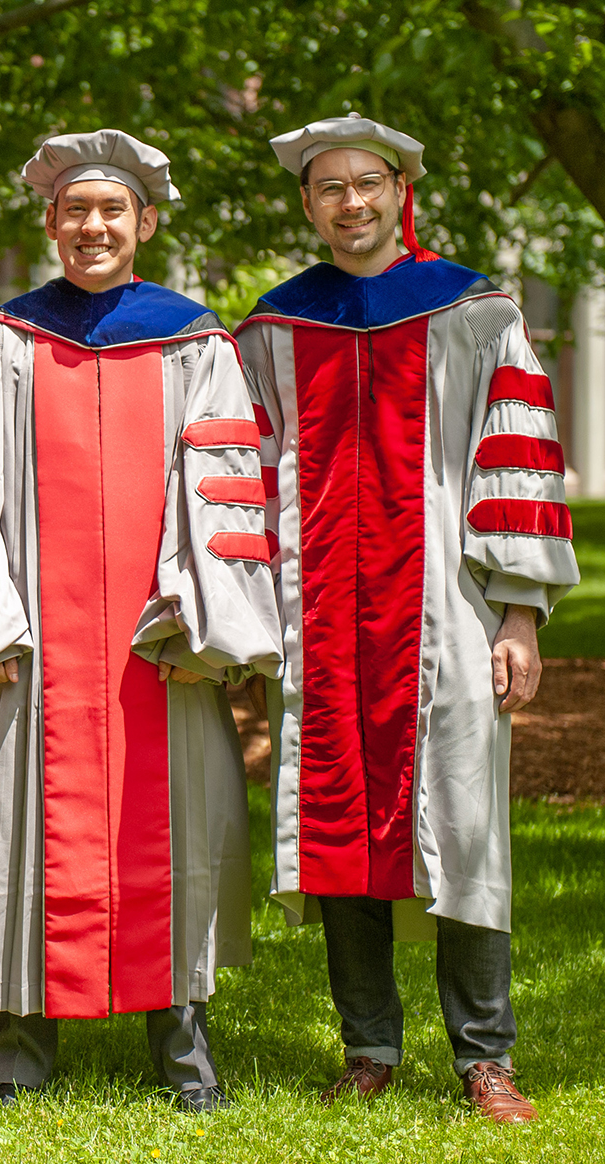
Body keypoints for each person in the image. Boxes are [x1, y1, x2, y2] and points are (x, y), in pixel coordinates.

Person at [0, 130, 283, 1111]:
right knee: (29, 829)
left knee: (171, 833)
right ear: (51, 224)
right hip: (38, 647)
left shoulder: (196, 343)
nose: (92, 227)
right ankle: (20, 1051)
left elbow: (227, 498)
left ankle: (183, 1053)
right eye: (74, 212)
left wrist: (207, 630)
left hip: (157, 645)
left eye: (112, 210)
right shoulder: (3, 340)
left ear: (145, 222)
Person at [235, 114, 580, 1123]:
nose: (350, 202)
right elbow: (242, 481)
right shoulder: (271, 329)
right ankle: (368, 1045)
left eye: (367, 183)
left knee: (466, 825)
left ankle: (485, 1056)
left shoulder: (476, 315)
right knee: (338, 820)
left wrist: (518, 616)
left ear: (399, 190)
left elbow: (516, 462)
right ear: (307, 204)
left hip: (447, 613)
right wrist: (248, 625)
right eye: (329, 187)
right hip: (317, 620)